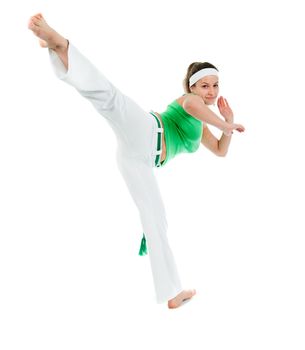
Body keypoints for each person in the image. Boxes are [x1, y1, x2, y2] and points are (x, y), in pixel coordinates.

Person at [28, 13, 245, 309]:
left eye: (215, 85)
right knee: (109, 98)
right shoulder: (188, 101)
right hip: (146, 131)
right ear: (192, 87)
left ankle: (172, 293)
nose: (211, 91)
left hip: (137, 160)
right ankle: (60, 46)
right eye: (205, 85)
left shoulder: (205, 124)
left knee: (156, 220)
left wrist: (228, 123)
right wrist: (225, 124)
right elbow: (196, 107)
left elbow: (221, 151)